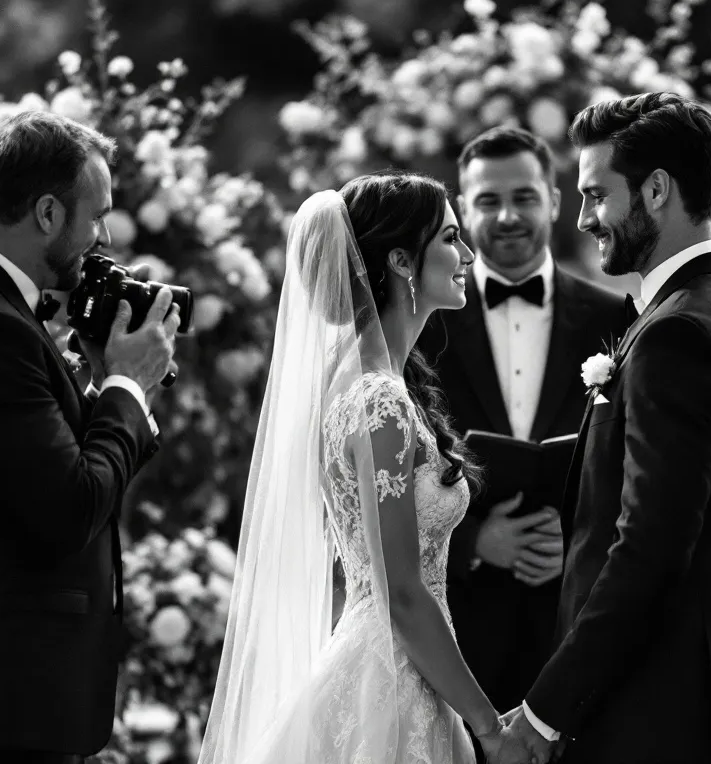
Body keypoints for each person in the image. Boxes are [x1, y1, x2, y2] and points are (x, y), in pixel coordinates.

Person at [197, 172, 534, 764]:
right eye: (452, 238)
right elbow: (401, 594)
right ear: (402, 260)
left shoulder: (358, 379)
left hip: (406, 672)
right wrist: (487, 725)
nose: (467, 256)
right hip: (391, 686)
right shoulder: (378, 401)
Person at [0, 111, 178, 764]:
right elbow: (68, 507)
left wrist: (105, 384)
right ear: (47, 213)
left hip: (6, 687)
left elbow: (42, 472)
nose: (103, 236)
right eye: (96, 214)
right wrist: (129, 387)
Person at [502, 91, 711, 763]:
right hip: (702, 696)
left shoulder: (677, 333)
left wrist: (544, 714)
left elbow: (649, 549)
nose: (584, 218)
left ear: (656, 189)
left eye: (597, 195)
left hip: (661, 713)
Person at [417, 127, 629, 726]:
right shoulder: (421, 327)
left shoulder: (618, 317)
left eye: (525, 197)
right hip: (454, 637)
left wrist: (581, 542)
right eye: (487, 201)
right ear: (462, 208)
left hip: (576, 632)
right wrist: (475, 540)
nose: (507, 215)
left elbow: (638, 463)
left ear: (556, 201)